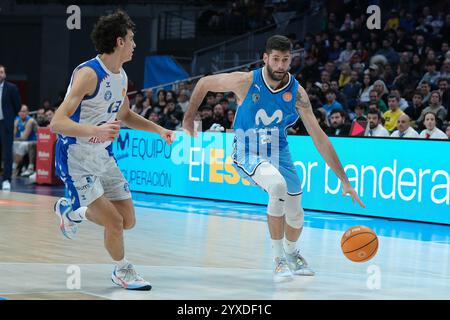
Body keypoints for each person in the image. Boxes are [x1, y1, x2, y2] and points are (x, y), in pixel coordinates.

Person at [182, 35, 364, 283]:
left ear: (291, 60)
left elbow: (319, 137)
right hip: (247, 150)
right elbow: (203, 83)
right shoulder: (245, 82)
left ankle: (291, 254)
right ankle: (278, 260)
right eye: (276, 59)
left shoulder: (298, 93)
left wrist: (344, 180)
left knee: (297, 215)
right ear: (265, 58)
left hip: (279, 151)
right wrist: (188, 118)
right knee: (277, 186)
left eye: (286, 60)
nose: (280, 65)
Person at [49, 10, 175, 291]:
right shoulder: (88, 74)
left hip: (103, 156)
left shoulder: (121, 76)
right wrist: (96, 131)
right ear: (119, 41)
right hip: (76, 157)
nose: (134, 45)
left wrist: (158, 129)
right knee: (114, 223)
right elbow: (57, 122)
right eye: (131, 39)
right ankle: (122, 270)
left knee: (128, 220)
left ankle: (70, 211)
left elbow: (126, 115)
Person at [0, 64, 22, 191]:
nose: (0, 74)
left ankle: (6, 180)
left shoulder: (11, 88)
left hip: (5, 124)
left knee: (7, 154)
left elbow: (17, 106)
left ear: (5, 74)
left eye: (1, 72)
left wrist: (9, 119)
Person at [13, 104, 37, 177]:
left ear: (28, 112)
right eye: (20, 111)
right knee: (11, 144)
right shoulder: (17, 120)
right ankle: (16, 167)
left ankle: (16, 167)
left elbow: (24, 138)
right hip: (22, 142)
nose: (22, 113)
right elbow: (13, 135)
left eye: (24, 111)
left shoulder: (30, 121)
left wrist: (14, 138)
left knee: (22, 144)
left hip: (34, 142)